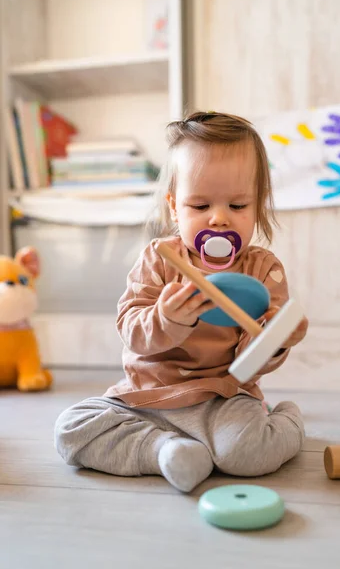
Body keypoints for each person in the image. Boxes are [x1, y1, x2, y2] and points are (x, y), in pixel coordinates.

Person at [54, 111, 309, 493]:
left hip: (221, 398)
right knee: (69, 429)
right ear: (175, 207)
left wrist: (276, 337)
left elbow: (252, 365)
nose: (220, 219)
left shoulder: (263, 269)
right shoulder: (159, 258)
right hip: (147, 397)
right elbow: (131, 331)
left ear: (257, 205)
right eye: (201, 206)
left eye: (237, 206)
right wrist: (165, 320)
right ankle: (164, 450)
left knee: (247, 453)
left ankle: (287, 418)